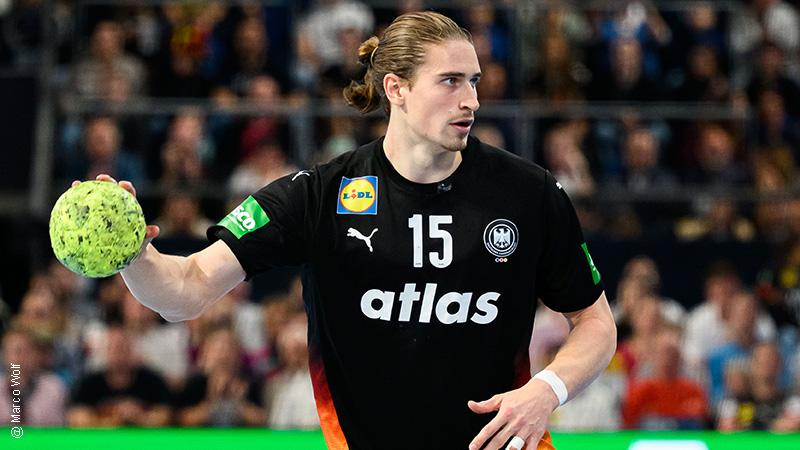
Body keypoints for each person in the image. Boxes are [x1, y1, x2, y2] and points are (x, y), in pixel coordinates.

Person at [76, 11, 616, 450]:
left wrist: (547, 389)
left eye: (473, 81)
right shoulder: (318, 195)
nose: (471, 99)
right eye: (450, 81)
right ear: (396, 89)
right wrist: (134, 254)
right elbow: (185, 291)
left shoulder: (528, 192)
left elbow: (595, 322)